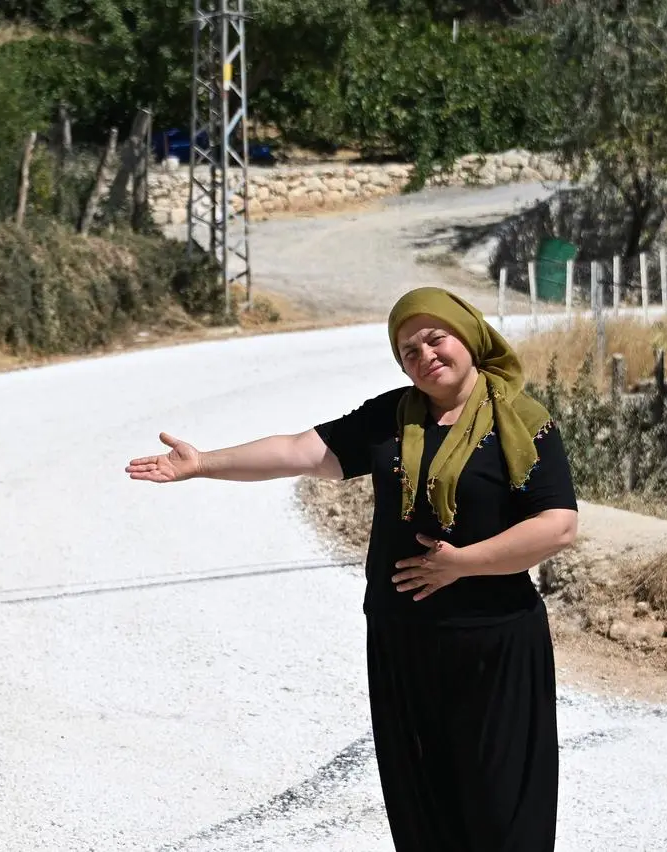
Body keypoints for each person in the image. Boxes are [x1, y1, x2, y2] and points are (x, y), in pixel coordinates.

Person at [125, 286, 579, 851]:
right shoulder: (393, 416)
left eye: (435, 338)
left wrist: (461, 564)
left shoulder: (523, 423)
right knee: (422, 808)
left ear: (468, 335)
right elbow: (299, 451)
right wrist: (203, 463)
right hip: (402, 639)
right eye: (408, 351)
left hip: (495, 642)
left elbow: (557, 525)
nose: (425, 355)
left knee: (502, 809)